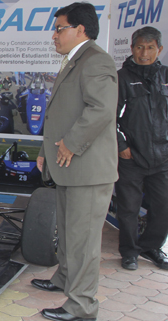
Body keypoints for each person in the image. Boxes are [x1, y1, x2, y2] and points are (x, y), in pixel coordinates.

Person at [32, 3, 118, 321]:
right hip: (68, 165)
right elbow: (59, 113)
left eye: (59, 28)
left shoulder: (96, 61)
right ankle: (64, 279)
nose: (54, 35)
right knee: (69, 232)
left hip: (88, 168)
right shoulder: (74, 61)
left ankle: (82, 306)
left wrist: (70, 143)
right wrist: (45, 149)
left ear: (80, 30)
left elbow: (100, 110)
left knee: (83, 239)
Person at [115, 26, 168, 271]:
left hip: (163, 159)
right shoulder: (121, 78)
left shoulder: (165, 76)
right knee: (128, 209)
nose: (144, 53)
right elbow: (108, 118)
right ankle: (129, 251)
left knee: (162, 205)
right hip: (131, 158)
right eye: (139, 47)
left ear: (160, 49)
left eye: (150, 48)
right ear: (132, 48)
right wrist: (122, 147)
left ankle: (151, 247)